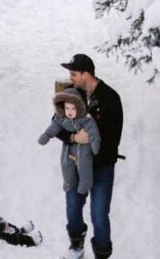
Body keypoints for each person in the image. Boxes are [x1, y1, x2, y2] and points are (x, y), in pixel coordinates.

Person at [54, 53, 124, 259]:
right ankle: (76, 245)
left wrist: (91, 154)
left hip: (102, 168)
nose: (71, 77)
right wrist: (75, 138)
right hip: (75, 166)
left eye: (74, 74)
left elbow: (113, 140)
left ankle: (102, 254)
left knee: (99, 216)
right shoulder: (71, 94)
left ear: (86, 74)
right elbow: (57, 126)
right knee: (73, 209)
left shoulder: (111, 98)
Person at [38, 87, 101, 194]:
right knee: (65, 163)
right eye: (67, 108)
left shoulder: (85, 118)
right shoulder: (61, 118)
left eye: (73, 108)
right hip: (69, 147)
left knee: (84, 164)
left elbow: (93, 130)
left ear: (78, 108)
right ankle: (68, 182)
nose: (70, 112)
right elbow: (54, 127)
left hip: (83, 148)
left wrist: (95, 143)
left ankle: (85, 183)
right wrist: (47, 135)